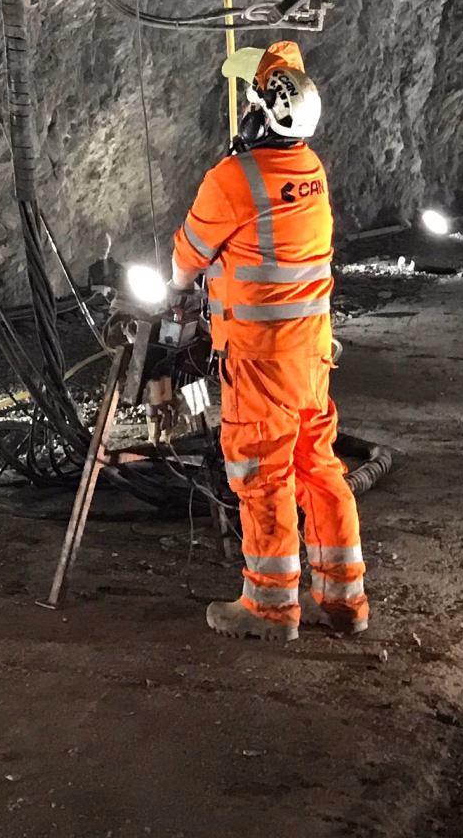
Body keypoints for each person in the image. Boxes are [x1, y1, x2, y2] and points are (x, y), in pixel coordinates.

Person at [169, 40, 367, 642]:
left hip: (258, 361)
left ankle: (271, 608)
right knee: (319, 468)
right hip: (311, 355)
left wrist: (178, 295)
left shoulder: (233, 179)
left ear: (259, 113)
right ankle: (344, 599)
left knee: (262, 475)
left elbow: (188, 257)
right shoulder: (312, 172)